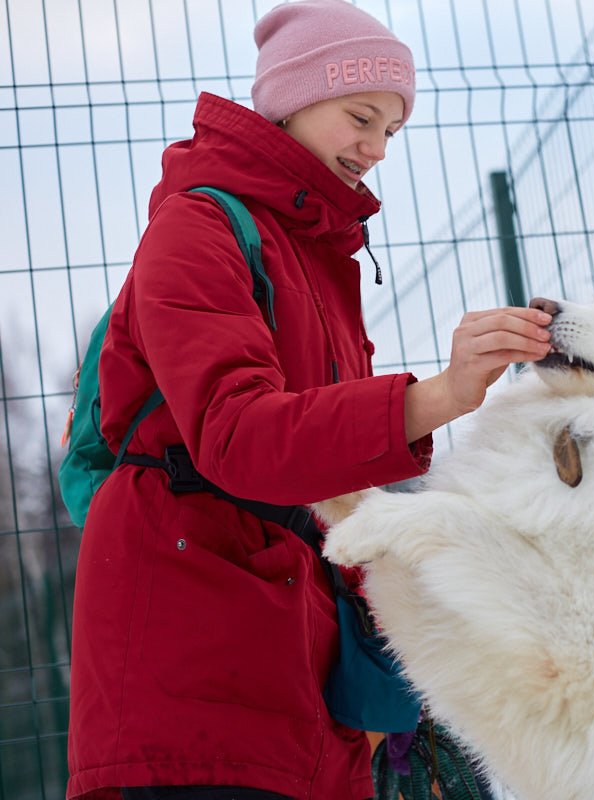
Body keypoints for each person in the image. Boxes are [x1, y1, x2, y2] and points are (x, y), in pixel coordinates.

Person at [65, 1, 552, 798]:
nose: (375, 148)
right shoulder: (196, 229)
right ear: (291, 97)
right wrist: (439, 396)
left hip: (293, 651)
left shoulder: (320, 257)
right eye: (361, 117)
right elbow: (237, 436)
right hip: (191, 647)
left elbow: (332, 478)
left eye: (392, 131)